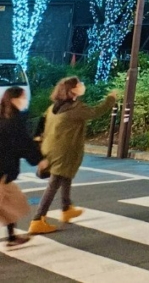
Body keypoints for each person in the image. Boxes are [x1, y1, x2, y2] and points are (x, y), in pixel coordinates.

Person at [29, 77, 116, 235]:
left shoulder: (53, 107)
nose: (81, 86)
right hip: (63, 151)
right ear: (71, 91)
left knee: (66, 175)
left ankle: (66, 208)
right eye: (78, 85)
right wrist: (111, 99)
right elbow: (96, 111)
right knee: (54, 183)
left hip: (51, 148)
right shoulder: (75, 109)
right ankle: (37, 219)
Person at [0, 87, 41, 248]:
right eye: (23, 97)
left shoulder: (5, 117)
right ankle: (12, 237)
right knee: (13, 203)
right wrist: (39, 160)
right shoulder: (12, 121)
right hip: (3, 171)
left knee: (12, 203)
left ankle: (12, 237)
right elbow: (24, 144)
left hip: (5, 172)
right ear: (13, 100)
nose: (25, 100)